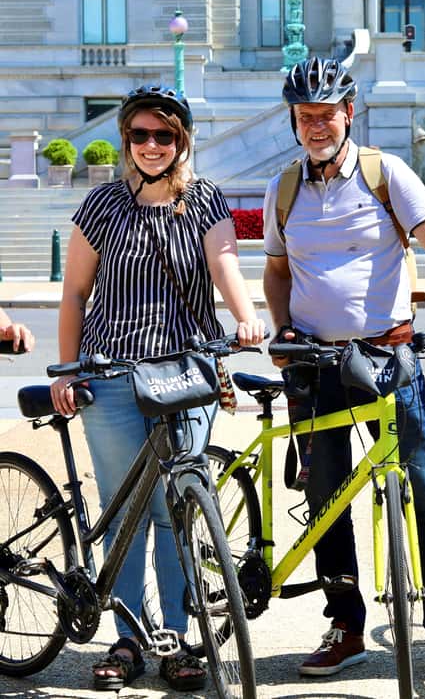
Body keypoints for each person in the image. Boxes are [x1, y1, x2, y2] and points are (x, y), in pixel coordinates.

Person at [263, 57, 425, 691]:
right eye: (305, 117)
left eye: (325, 115)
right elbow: (277, 271)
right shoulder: (286, 189)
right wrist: (280, 330)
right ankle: (347, 628)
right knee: (326, 501)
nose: (315, 126)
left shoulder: (386, 174)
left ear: (348, 115)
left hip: (388, 356)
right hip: (313, 363)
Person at [50, 84, 266, 692]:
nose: (150, 145)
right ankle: (125, 638)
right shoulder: (102, 205)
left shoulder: (204, 202)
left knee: (178, 512)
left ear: (182, 141)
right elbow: (74, 294)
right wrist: (68, 368)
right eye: (139, 135)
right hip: (112, 373)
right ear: (126, 141)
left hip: (186, 374)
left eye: (163, 135)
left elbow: (226, 265)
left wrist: (245, 315)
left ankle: (173, 635)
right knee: (127, 513)